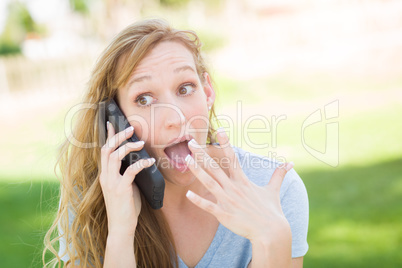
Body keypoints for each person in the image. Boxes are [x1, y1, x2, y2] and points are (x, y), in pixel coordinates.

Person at [43, 19, 309, 268]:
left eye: (185, 88)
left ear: (207, 93)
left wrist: (272, 236)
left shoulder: (276, 191)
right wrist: (121, 233)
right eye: (144, 99)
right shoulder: (94, 200)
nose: (175, 117)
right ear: (115, 119)